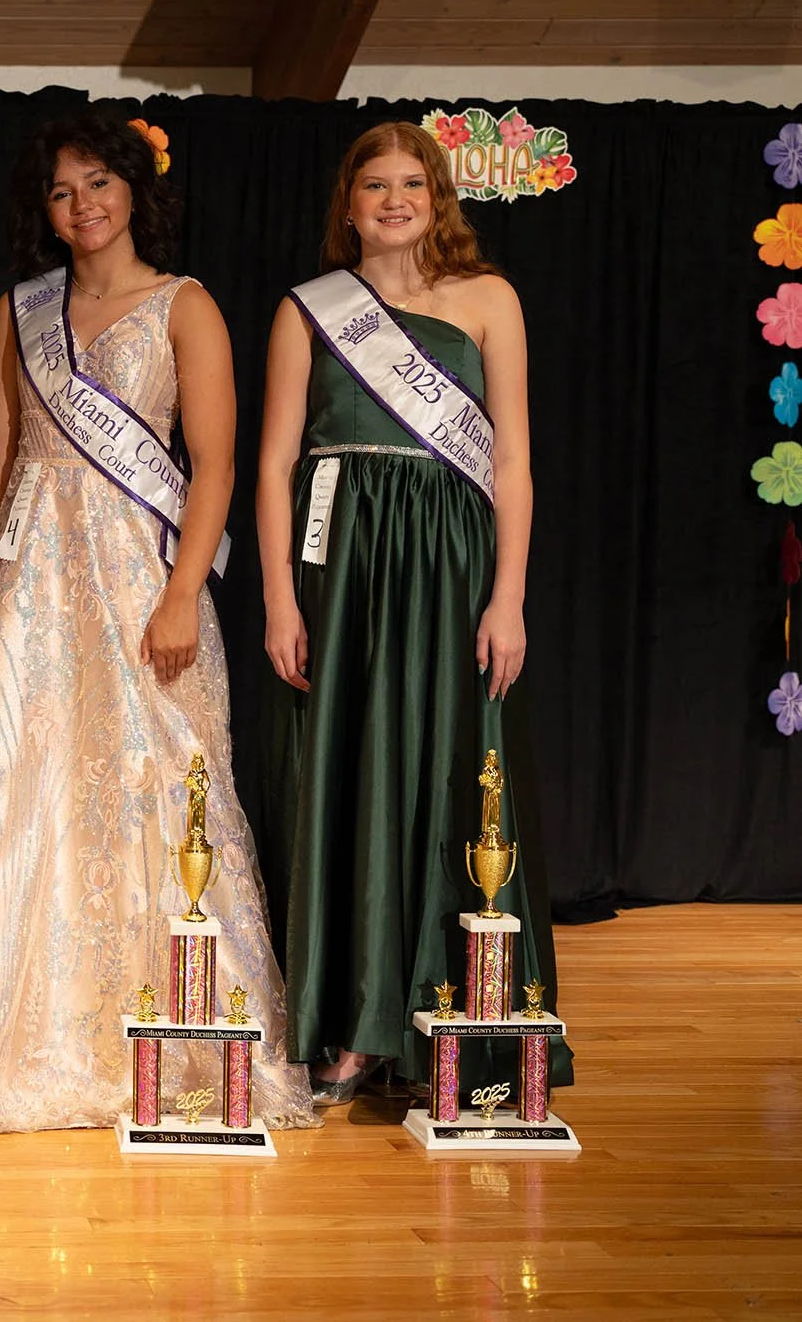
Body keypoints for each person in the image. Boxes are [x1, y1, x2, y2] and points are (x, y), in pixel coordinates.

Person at [0, 110, 315, 1136]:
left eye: (98, 183)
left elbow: (213, 461)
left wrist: (181, 591)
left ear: (133, 189)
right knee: (24, 777)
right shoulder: (21, 311)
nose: (81, 205)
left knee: (155, 783)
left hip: (137, 571)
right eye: (60, 190)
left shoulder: (186, 307)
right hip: (34, 572)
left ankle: (179, 1036)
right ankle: (17, 1034)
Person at [257, 121, 568, 1103]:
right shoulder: (307, 312)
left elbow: (512, 462)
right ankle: (351, 1026)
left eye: (411, 184)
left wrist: (508, 594)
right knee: (348, 773)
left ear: (437, 199)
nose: (393, 199)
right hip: (342, 565)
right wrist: (276, 598)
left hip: (450, 563)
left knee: (450, 774)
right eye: (373, 184)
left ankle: (459, 1015)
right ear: (345, 204)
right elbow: (271, 466)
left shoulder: (489, 301)